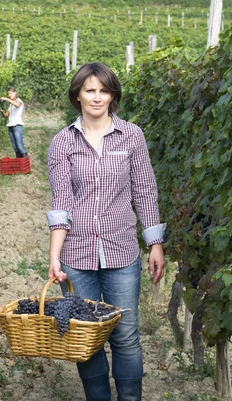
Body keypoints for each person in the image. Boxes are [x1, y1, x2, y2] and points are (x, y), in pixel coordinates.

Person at [46, 62, 166, 401]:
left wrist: (154, 244)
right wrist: (55, 257)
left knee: (125, 335)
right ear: (78, 96)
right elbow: (62, 203)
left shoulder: (132, 136)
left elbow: (145, 190)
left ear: (112, 95)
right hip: (76, 255)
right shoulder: (62, 142)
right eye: (89, 90)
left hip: (122, 251)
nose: (97, 97)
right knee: (86, 335)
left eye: (103, 90)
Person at [0, 87, 28, 158]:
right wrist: (3, 111)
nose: (9, 95)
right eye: (8, 94)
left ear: (15, 93)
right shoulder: (10, 105)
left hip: (17, 125)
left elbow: (17, 105)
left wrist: (6, 99)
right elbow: (7, 115)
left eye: (10, 93)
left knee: (19, 145)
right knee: (15, 147)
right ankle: (19, 163)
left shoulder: (19, 101)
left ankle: (26, 163)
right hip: (11, 126)